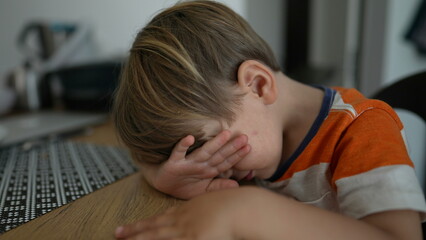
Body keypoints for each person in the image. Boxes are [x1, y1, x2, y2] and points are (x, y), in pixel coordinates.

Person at [112, 1, 426, 239]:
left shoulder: (361, 129)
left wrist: (246, 209)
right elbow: (142, 158)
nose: (214, 166)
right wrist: (162, 177)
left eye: (206, 146)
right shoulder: (257, 137)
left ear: (258, 85)